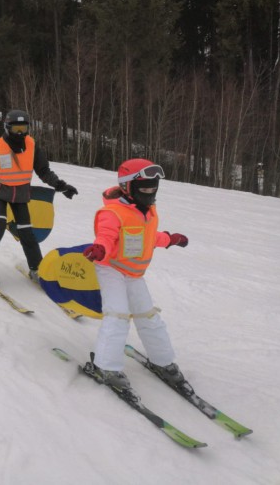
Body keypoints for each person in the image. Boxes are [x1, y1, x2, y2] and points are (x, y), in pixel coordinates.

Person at [82, 158, 189, 391]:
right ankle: (106, 366)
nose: (150, 193)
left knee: (148, 316)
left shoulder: (148, 211)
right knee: (118, 315)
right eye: (145, 188)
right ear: (127, 186)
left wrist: (171, 239)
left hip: (133, 273)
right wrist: (100, 249)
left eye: (153, 188)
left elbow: (148, 237)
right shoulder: (112, 213)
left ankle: (163, 362)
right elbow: (106, 237)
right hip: (111, 268)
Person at [0, 110, 78, 287]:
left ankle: (37, 269)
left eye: (24, 128)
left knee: (27, 231)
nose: (20, 133)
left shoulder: (32, 145)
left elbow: (44, 171)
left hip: (20, 196)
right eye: (16, 128)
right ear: (7, 128)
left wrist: (61, 186)